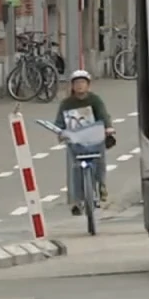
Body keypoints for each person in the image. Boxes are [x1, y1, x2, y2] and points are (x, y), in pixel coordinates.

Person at [53, 70, 114, 215]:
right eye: (76, 83)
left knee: (100, 161)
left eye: (82, 83)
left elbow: (103, 116)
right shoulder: (66, 104)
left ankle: (101, 185)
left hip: (94, 138)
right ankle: (77, 201)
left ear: (88, 85)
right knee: (74, 168)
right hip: (76, 141)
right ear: (72, 86)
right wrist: (60, 132)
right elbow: (59, 122)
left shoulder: (95, 100)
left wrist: (108, 128)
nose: (80, 86)